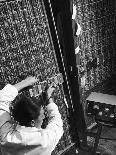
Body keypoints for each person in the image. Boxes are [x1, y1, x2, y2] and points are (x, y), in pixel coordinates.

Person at [0, 76, 63, 155]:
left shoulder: (7, 138)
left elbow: (1, 99)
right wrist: (48, 98)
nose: (44, 117)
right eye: (42, 115)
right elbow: (57, 122)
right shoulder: (46, 139)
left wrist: (25, 82)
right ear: (32, 122)